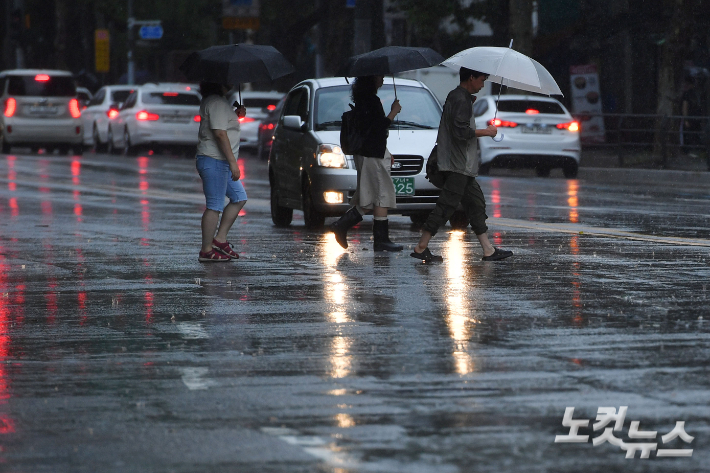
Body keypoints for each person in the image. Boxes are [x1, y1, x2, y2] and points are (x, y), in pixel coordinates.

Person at [411, 67, 513, 263]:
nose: (483, 84)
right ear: (471, 77)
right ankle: (421, 246)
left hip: (463, 166)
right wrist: (487, 132)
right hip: (456, 165)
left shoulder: (461, 97)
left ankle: (488, 250)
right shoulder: (460, 98)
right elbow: (461, 132)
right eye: (482, 79)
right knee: (446, 206)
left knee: (476, 203)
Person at [329, 75, 403, 251]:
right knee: (379, 195)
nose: (383, 79)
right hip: (372, 155)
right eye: (380, 76)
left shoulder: (365, 99)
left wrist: (386, 152)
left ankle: (376, 238)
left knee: (373, 196)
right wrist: (394, 112)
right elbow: (378, 127)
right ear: (371, 79)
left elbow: (370, 132)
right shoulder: (370, 100)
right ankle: (372, 236)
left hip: (371, 153)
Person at [195, 81, 248, 262]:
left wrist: (235, 115)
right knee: (215, 205)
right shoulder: (216, 102)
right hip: (215, 159)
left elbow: (222, 124)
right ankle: (206, 250)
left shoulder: (218, 102)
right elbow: (219, 133)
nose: (230, 82)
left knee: (239, 197)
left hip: (220, 161)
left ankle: (220, 240)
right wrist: (233, 163)